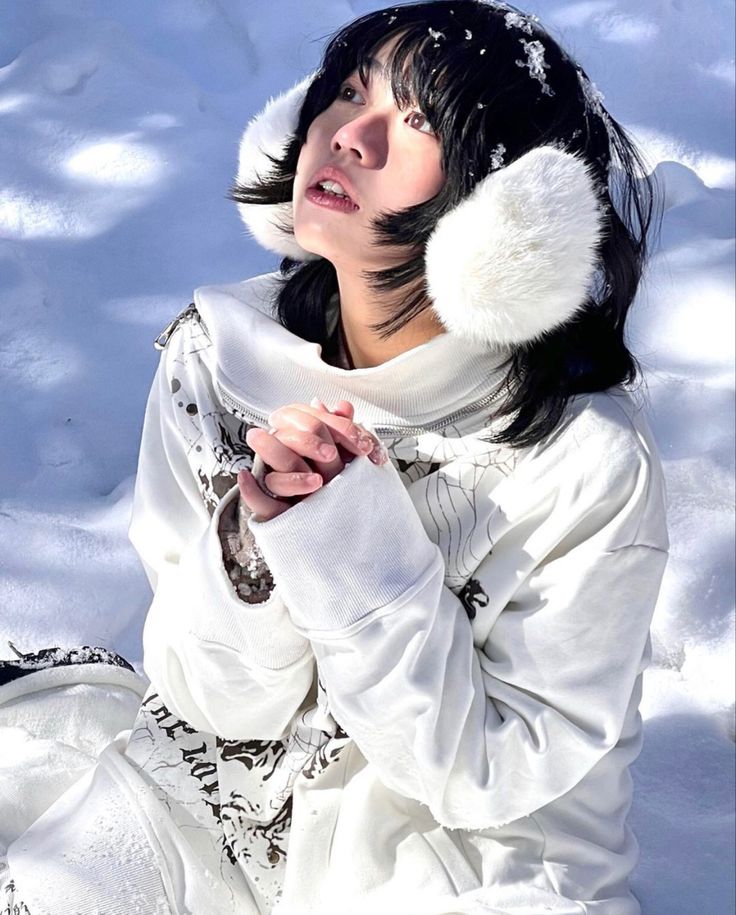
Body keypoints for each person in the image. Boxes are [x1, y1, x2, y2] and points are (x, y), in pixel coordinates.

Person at [1, 2, 668, 913]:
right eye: (349, 93)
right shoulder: (218, 354)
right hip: (213, 805)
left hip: (464, 869)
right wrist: (252, 554)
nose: (349, 136)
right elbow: (208, 701)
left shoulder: (581, 461)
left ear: (507, 211)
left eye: (417, 121)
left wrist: (356, 554)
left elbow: (488, 774)